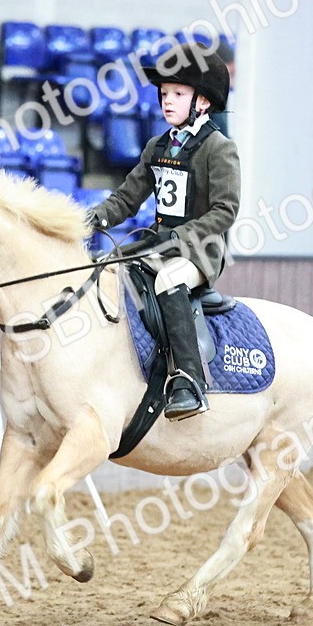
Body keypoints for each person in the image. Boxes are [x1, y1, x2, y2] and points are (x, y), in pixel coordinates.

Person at [86, 42, 239, 421]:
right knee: (107, 270)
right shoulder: (158, 146)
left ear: (203, 102)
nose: (167, 101)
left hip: (199, 251)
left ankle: (189, 380)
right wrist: (91, 219)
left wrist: (181, 238)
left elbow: (225, 210)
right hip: (157, 242)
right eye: (164, 93)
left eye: (178, 94)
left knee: (169, 280)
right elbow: (126, 198)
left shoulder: (218, 148)